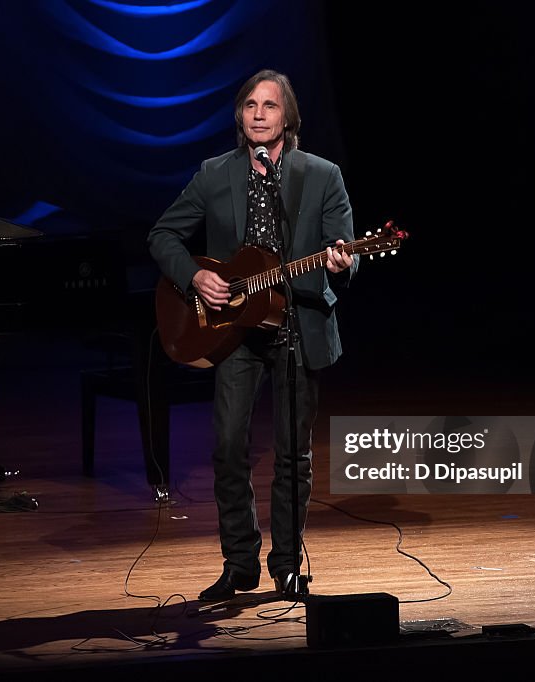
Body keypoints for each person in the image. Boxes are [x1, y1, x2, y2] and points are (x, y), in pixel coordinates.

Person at [147, 69, 357, 601]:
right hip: (234, 331)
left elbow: (343, 251)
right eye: (249, 105)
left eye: (269, 106)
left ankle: (286, 565)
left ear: (288, 117)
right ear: (240, 116)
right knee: (226, 445)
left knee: (293, 455)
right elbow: (163, 234)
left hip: (298, 329)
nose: (259, 114)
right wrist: (195, 275)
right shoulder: (215, 174)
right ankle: (239, 563)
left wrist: (339, 263)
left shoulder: (322, 175)